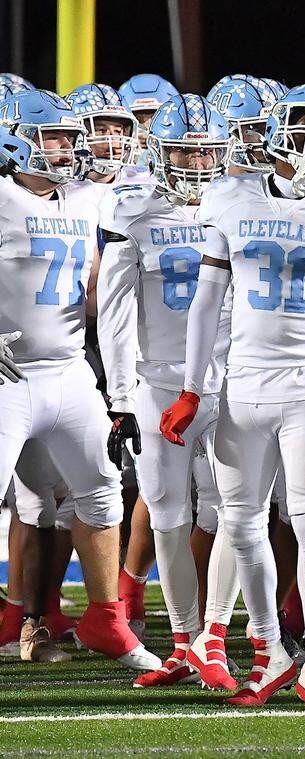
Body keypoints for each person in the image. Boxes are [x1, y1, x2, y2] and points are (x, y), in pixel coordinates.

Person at [160, 83, 305, 710]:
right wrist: (191, 385)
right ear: (278, 128)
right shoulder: (230, 198)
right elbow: (207, 302)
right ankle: (267, 651)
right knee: (241, 522)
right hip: (242, 384)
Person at [0, 89, 160, 671]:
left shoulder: (86, 201)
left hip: (68, 369)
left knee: (100, 489)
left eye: (70, 137)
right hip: (7, 376)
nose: (68, 149)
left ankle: (107, 623)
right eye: (55, 138)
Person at [97, 93, 238, 688]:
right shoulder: (131, 210)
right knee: (167, 516)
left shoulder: (239, 205)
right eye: (184, 151)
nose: (197, 164)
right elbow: (113, 312)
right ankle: (183, 641)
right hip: (159, 384)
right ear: (159, 150)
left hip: (229, 381)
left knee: (236, 512)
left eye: (207, 153)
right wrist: (121, 397)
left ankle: (215, 636)